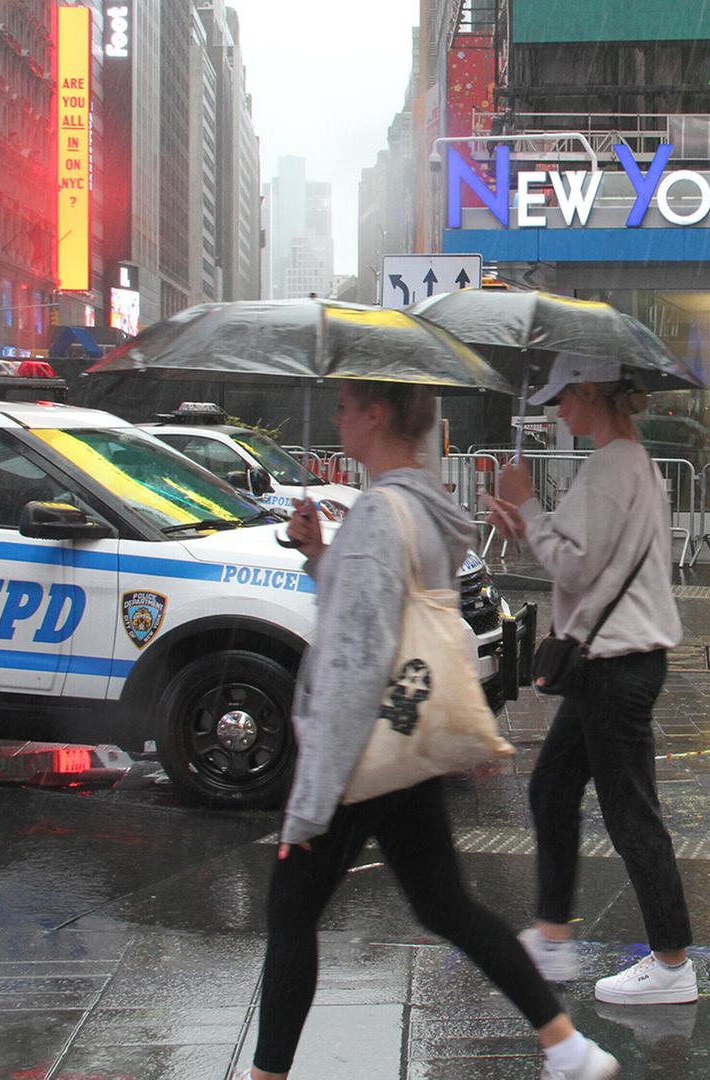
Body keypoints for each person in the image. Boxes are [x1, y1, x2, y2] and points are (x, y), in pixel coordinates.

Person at [237, 379, 618, 1080]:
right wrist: (323, 553)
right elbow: (386, 607)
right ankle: (567, 1046)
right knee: (447, 906)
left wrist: (311, 801)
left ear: (377, 416)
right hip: (404, 742)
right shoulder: (425, 507)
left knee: (291, 914)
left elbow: (358, 655)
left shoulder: (380, 512)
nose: (341, 419)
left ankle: (266, 1075)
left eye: (348, 407)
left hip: (361, 751)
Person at [483, 355, 697, 1008]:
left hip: (615, 663)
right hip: (615, 658)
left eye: (562, 400)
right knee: (551, 788)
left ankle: (670, 961)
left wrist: (524, 503)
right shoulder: (634, 462)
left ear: (587, 393)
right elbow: (591, 558)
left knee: (631, 814)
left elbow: (573, 566)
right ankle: (551, 934)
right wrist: (529, 524)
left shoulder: (609, 467)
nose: (557, 413)